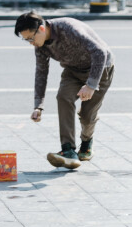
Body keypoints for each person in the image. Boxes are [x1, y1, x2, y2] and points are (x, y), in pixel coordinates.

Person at [14, 12, 114, 169]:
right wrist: (38, 105)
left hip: (99, 69)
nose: (31, 43)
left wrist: (91, 85)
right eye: (26, 40)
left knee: (87, 116)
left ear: (41, 28)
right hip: (73, 70)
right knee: (63, 97)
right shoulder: (40, 47)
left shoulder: (69, 29)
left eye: (31, 38)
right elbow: (41, 72)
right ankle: (68, 150)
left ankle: (87, 142)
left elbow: (100, 52)